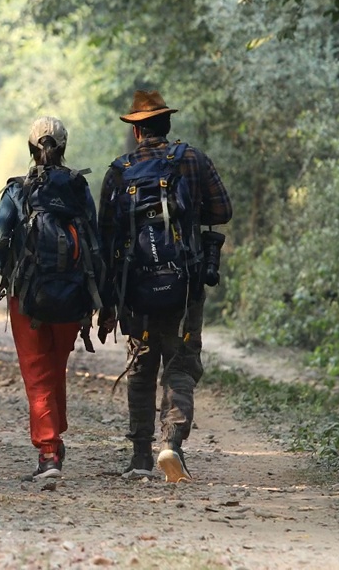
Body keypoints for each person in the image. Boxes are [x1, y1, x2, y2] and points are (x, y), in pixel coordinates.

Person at [96, 90, 232, 482]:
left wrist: (106, 302)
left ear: (136, 130)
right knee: (180, 363)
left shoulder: (119, 171)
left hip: (134, 287)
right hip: (185, 283)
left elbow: (105, 238)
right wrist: (185, 216)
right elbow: (223, 211)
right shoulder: (190, 158)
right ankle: (171, 444)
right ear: (167, 124)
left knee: (140, 365)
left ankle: (140, 458)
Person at [0, 116, 104, 480]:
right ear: (64, 148)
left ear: (30, 148)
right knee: (54, 366)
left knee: (37, 372)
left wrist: (4, 270)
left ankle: (50, 451)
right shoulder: (77, 186)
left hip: (27, 295)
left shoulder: (17, 190)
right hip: (72, 295)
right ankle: (55, 436)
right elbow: (94, 240)